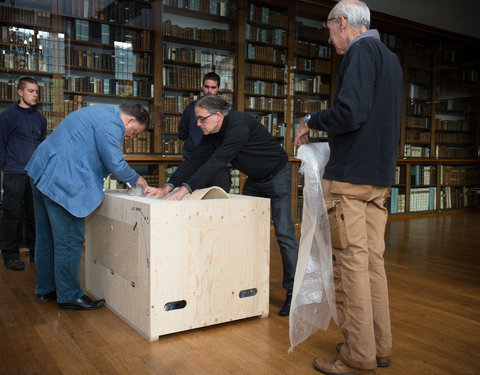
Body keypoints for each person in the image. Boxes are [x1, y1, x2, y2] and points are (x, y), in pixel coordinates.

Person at [294, 0, 402, 374]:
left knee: (350, 267)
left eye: (328, 29)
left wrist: (310, 118)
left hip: (351, 178)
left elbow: (349, 114)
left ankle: (358, 357)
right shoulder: (391, 59)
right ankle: (378, 346)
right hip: (380, 178)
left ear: (342, 23)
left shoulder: (358, 53)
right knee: (372, 264)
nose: (330, 37)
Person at [145, 95, 298, 316]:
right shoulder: (214, 131)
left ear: (218, 116)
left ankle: (293, 293)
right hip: (254, 179)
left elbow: (216, 162)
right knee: (245, 235)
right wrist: (168, 187)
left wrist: (182, 192)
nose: (197, 124)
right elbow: (195, 160)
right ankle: (244, 288)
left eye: (200, 119)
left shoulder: (239, 126)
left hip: (277, 175)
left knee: (284, 234)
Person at [25, 103, 150, 310]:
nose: (130, 137)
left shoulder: (98, 111)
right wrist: (138, 180)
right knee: (69, 240)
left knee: (45, 237)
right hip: (61, 180)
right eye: (134, 132)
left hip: (42, 171)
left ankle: (46, 289)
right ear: (129, 120)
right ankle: (69, 296)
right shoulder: (112, 123)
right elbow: (115, 163)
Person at [0, 77, 47, 270]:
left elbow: (42, 147)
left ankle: (37, 253)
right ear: (20, 92)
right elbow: (1, 144)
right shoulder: (7, 116)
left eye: (36, 91)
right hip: (14, 173)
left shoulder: (40, 119)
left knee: (35, 216)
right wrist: (6, 166)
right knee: (12, 215)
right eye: (31, 91)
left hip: (35, 175)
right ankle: (10, 256)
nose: (35, 95)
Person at [178, 72, 231, 192]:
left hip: (218, 165)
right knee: (192, 203)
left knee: (218, 203)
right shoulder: (191, 108)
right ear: (202, 87)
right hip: (193, 163)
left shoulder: (226, 109)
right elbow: (183, 134)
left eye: (213, 87)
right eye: (206, 87)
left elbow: (231, 136)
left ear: (218, 89)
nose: (209, 91)